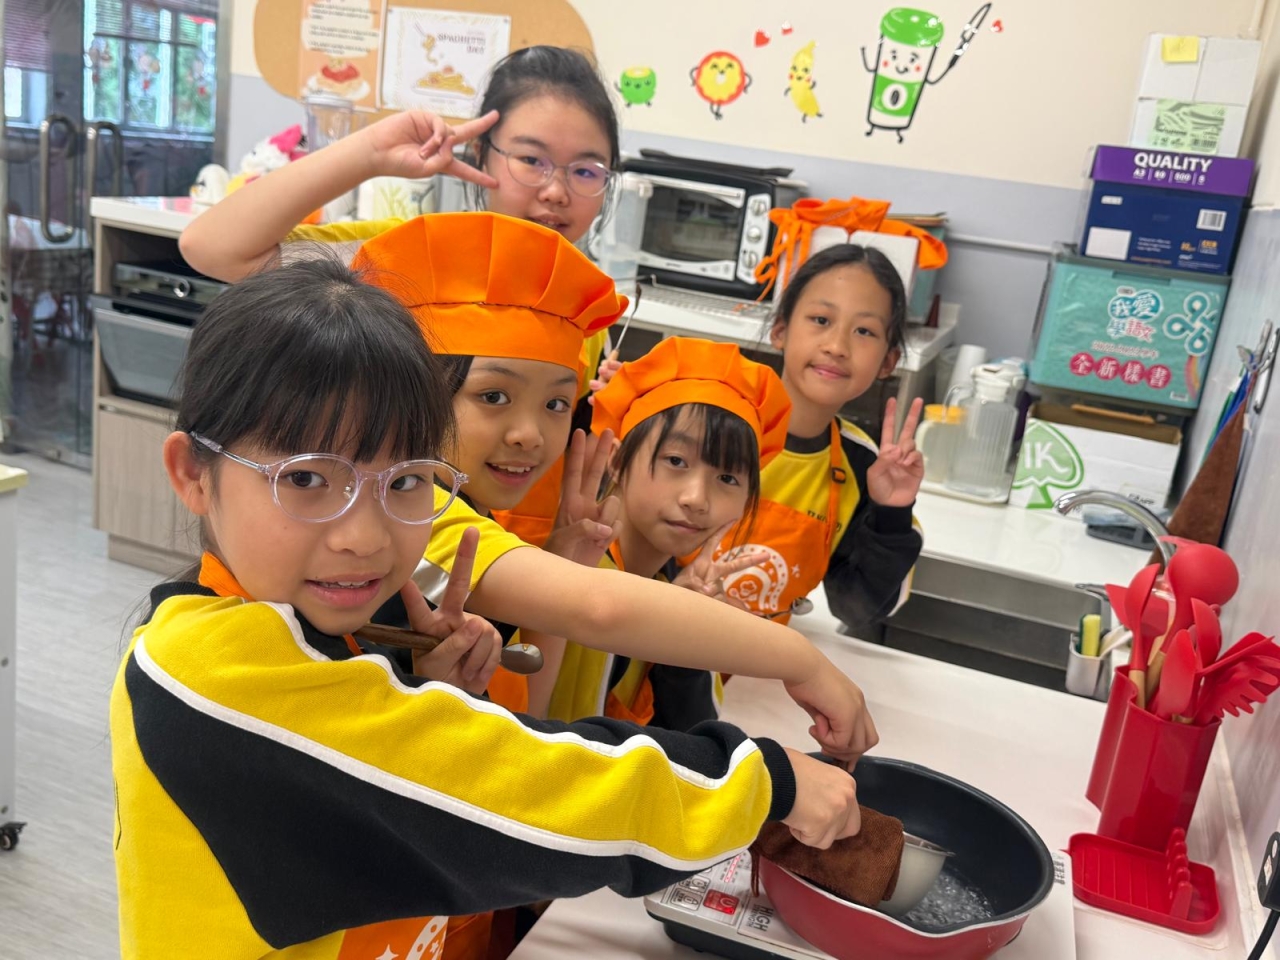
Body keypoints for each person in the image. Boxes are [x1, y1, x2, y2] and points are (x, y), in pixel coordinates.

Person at [112, 259, 863, 959]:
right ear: (193, 474)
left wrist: (428, 694)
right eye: (306, 479)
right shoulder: (208, 674)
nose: (364, 536)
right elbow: (530, 784)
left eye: (405, 482)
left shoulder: (307, 630)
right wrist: (766, 782)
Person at [179, 45, 623, 546]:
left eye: (586, 170)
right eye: (531, 160)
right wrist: (369, 153)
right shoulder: (408, 258)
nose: (556, 190)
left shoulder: (586, 306)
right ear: (481, 153)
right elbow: (212, 248)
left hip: (513, 566)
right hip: (387, 542)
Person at [547, 337, 789, 731]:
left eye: (728, 478)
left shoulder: (682, 588)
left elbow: (690, 739)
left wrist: (684, 628)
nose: (697, 499)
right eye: (676, 460)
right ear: (617, 460)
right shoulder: (563, 567)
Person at [743, 244, 924, 632]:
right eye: (821, 319)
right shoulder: (714, 420)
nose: (837, 347)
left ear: (887, 362)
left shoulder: (864, 467)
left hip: (758, 658)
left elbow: (856, 608)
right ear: (780, 330)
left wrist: (891, 513)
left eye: (864, 331)